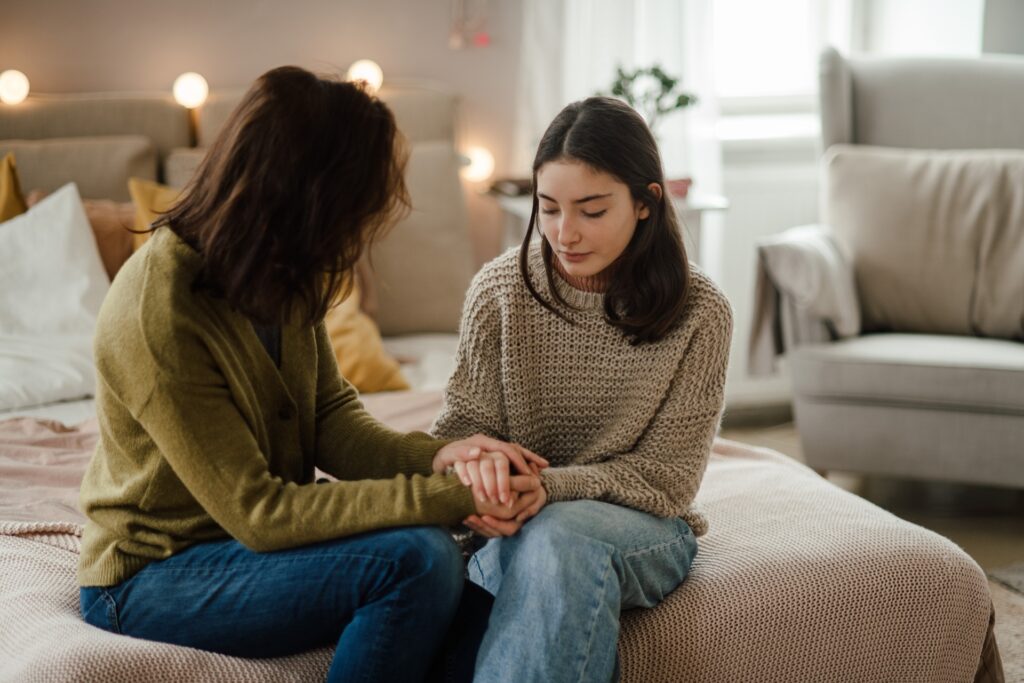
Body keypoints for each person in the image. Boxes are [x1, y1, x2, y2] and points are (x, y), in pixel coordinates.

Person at [76, 65, 547, 683]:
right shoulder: (158, 309)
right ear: (307, 197)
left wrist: (443, 458)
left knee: (505, 605)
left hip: (249, 545)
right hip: (155, 571)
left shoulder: (287, 270)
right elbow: (261, 512)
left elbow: (330, 420)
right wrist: (456, 498)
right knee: (418, 560)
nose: (356, 236)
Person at [432, 96, 734, 682]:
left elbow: (667, 481)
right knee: (539, 541)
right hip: (516, 518)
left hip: (643, 526)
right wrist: (485, 471)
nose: (564, 234)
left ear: (646, 202)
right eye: (547, 209)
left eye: (592, 211)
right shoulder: (499, 290)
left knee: (561, 537)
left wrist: (547, 487)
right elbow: (459, 433)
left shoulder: (701, 312)